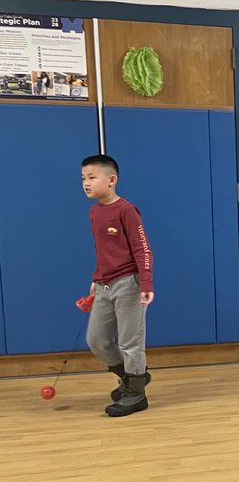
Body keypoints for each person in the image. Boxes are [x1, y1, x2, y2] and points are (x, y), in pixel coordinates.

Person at [81, 154, 154, 417]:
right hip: (103, 285)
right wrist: (95, 279)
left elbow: (142, 248)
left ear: (111, 180)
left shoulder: (126, 210)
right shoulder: (94, 212)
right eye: (83, 178)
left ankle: (136, 395)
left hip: (129, 284)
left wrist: (146, 281)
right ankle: (133, 378)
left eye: (92, 177)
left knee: (130, 343)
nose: (86, 183)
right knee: (97, 340)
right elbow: (103, 251)